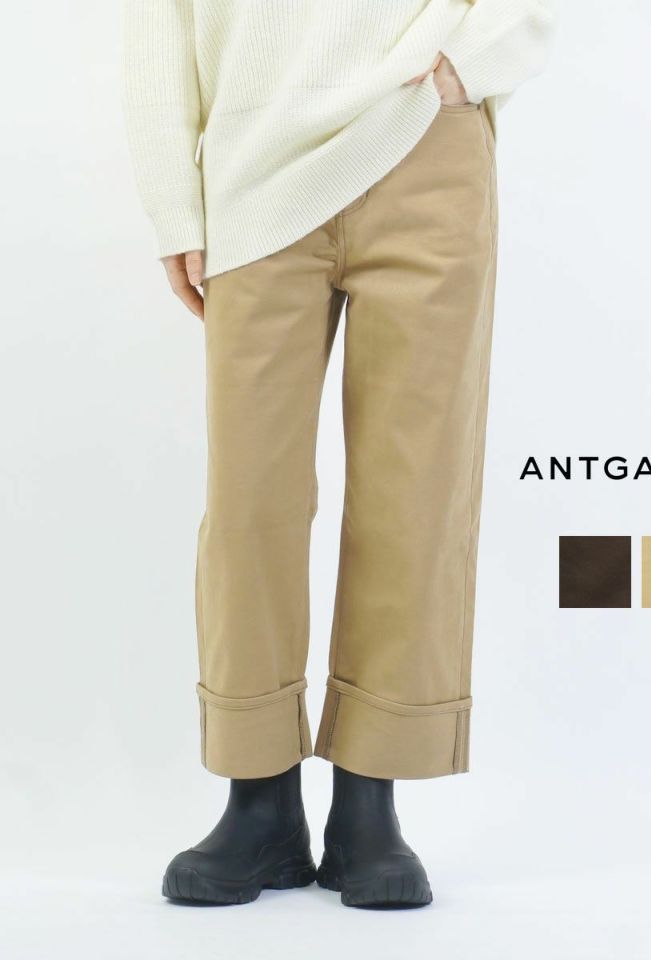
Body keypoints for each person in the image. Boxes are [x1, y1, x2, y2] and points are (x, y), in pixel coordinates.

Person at [122, 0, 555, 909]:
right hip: (254, 166)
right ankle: (259, 803)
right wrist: (172, 201)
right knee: (250, 502)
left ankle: (370, 805)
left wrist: (468, 63)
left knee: (416, 494)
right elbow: (160, 21)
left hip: (424, 141)